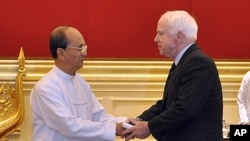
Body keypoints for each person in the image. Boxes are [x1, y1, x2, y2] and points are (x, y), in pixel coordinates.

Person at [123, 10, 223, 141]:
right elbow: (167, 104)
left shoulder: (198, 63)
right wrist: (140, 120)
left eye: (160, 33)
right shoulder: (184, 61)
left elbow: (185, 109)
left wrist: (149, 127)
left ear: (179, 37)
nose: (155, 39)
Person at [30, 26, 126, 141]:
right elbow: (70, 127)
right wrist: (114, 128)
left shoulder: (80, 82)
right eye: (79, 48)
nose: (84, 53)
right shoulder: (45, 88)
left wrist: (125, 123)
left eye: (85, 47)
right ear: (61, 53)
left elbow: (98, 117)